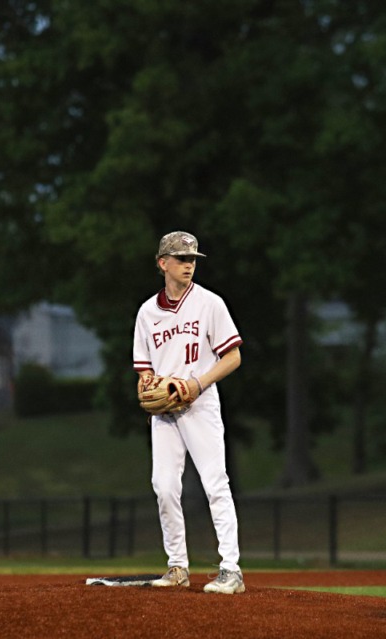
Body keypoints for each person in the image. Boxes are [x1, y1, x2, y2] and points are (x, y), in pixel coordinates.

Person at [132, 231, 245, 594]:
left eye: (193, 258)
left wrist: (197, 384)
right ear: (162, 263)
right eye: (181, 258)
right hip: (165, 412)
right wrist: (147, 385)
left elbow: (233, 356)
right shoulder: (147, 313)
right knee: (163, 487)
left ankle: (231, 569)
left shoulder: (210, 304)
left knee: (216, 483)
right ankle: (177, 566)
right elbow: (144, 369)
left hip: (200, 404)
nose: (189, 264)